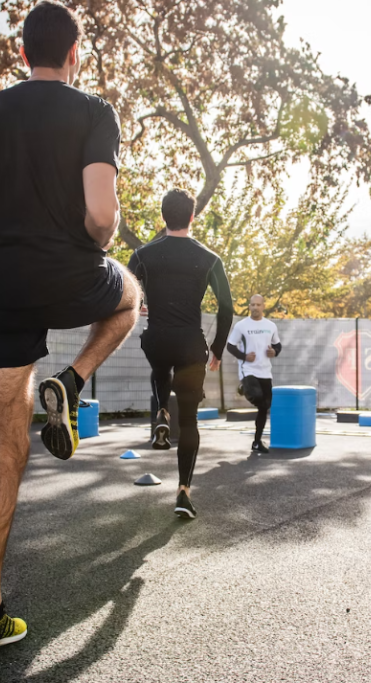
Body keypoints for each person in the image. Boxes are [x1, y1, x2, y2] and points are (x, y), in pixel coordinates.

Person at [0, 1, 139, 659]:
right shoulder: (95, 112)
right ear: (75, 55)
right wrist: (101, 235)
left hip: (0, 293)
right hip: (71, 279)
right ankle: (73, 378)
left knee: (3, 456)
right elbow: (101, 216)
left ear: (21, 55)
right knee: (129, 297)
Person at [128, 189, 233, 518]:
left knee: (160, 366)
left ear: (163, 216)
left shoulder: (143, 254)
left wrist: (140, 305)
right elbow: (227, 308)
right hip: (191, 344)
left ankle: (160, 411)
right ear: (192, 216)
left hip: (157, 338)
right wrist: (217, 348)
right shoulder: (210, 258)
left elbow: (125, 292)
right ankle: (184, 493)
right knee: (189, 422)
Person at [226, 295, 281, 454]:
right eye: (252, 305)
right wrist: (244, 357)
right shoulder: (241, 326)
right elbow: (230, 346)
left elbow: (278, 345)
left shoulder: (270, 326)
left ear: (263, 306)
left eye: (258, 305)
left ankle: (256, 442)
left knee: (265, 406)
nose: (255, 307)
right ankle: (245, 386)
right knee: (257, 398)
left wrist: (274, 352)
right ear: (249, 306)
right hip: (248, 369)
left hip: (265, 371)